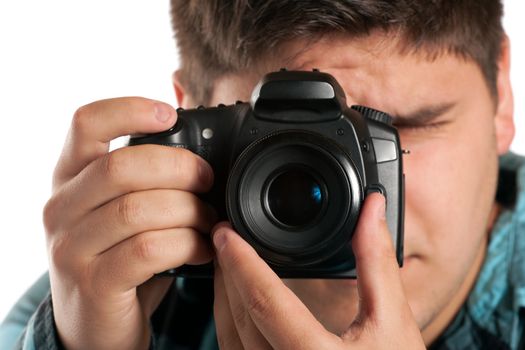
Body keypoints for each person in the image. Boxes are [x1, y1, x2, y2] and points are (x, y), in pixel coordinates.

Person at [1, 0, 524, 349]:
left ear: (501, 96)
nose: (361, 198)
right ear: (192, 113)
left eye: (403, 127)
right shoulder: (104, 293)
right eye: (283, 146)